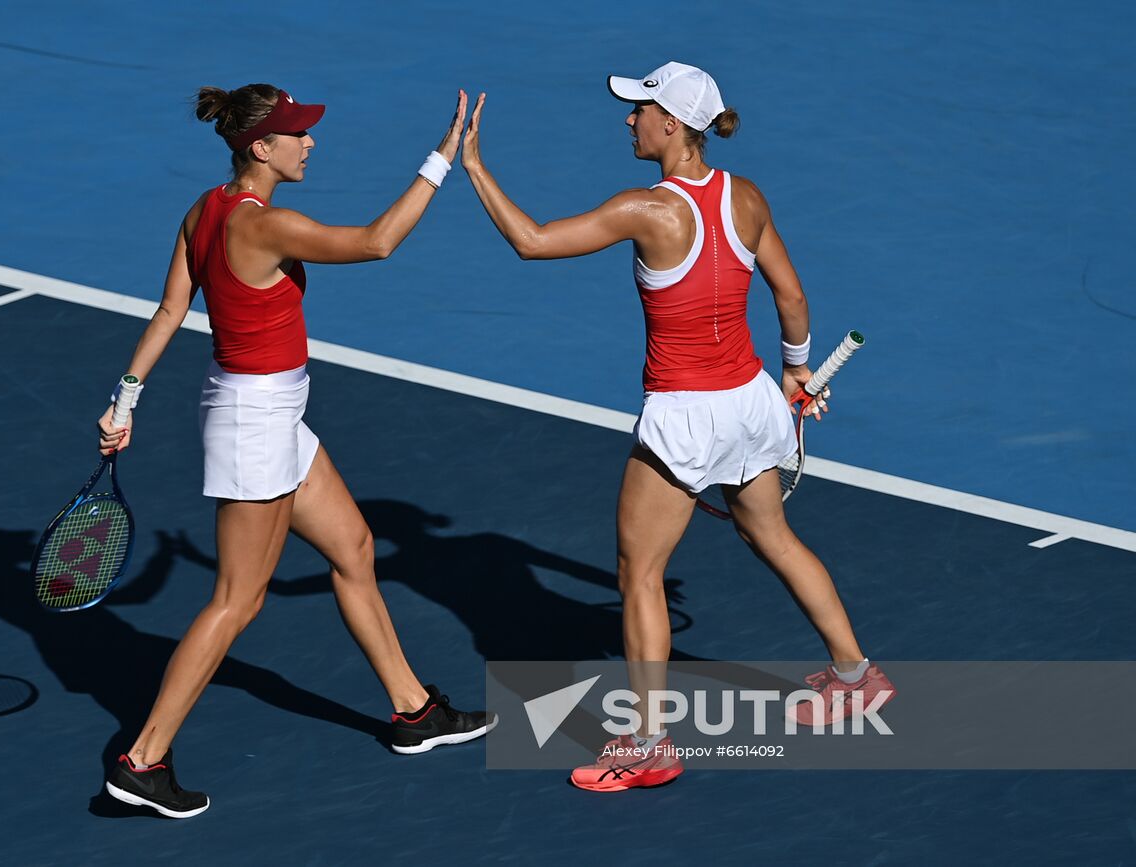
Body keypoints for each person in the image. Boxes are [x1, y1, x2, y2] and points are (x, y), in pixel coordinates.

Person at [459, 62, 892, 792]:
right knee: (773, 537)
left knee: (640, 572)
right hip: (751, 405)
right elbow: (791, 293)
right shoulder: (745, 196)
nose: (628, 120)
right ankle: (857, 675)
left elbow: (531, 241)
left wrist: (472, 165)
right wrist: (795, 373)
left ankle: (649, 742)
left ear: (673, 124)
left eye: (640, 111)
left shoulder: (647, 210)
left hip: (686, 419)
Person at [97, 83, 491, 818]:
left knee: (354, 547)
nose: (311, 143)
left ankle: (414, 711)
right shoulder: (262, 226)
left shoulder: (203, 210)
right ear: (260, 147)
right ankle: (142, 759)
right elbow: (377, 242)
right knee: (235, 602)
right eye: (297, 135)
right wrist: (443, 158)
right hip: (256, 425)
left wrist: (126, 396)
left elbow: (171, 310)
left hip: (267, 415)